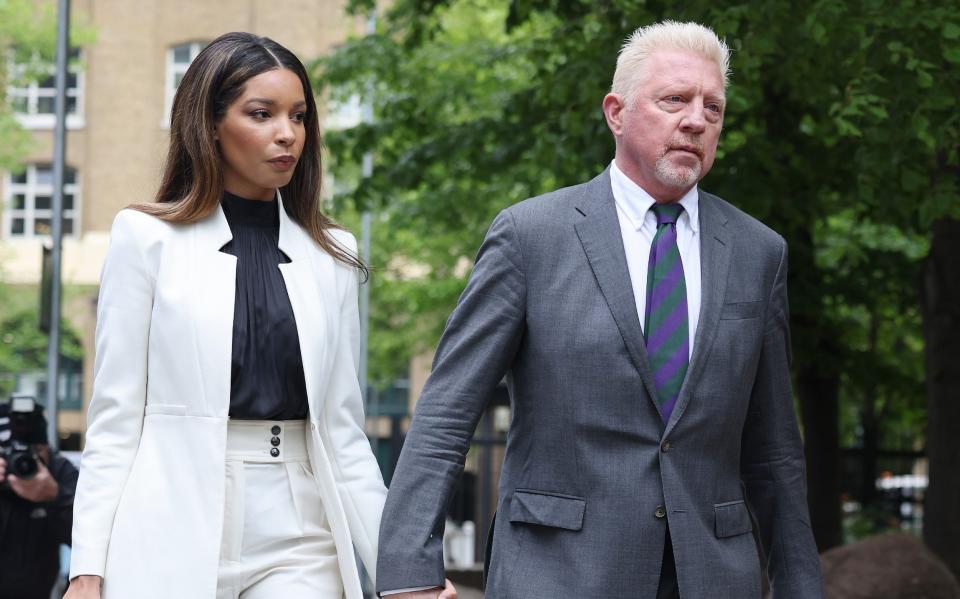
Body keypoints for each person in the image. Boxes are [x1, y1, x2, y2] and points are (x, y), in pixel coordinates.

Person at [377, 21, 824, 599]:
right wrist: (407, 573)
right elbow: (446, 413)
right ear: (616, 112)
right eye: (674, 100)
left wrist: (800, 586)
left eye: (712, 107)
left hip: (710, 576)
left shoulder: (758, 252)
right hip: (558, 572)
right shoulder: (530, 237)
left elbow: (774, 452)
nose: (695, 119)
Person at [62, 32, 429, 599]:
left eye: (299, 116)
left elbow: (343, 433)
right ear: (209, 123)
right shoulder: (146, 239)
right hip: (168, 517)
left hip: (298, 523)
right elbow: (114, 418)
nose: (288, 134)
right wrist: (88, 564)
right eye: (262, 114)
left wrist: (404, 572)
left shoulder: (333, 253)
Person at [0, 400, 78, 599]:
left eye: (33, 451)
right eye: (11, 452)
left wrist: (55, 495)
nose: (23, 461)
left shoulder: (59, 471)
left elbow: (88, 539)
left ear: (46, 447)